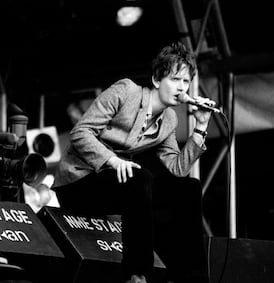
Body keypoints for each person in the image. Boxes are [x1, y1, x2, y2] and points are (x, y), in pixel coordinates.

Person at [53, 41, 215, 283]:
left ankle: (192, 277)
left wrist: (200, 127)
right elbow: (80, 133)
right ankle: (137, 275)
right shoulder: (126, 91)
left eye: (185, 82)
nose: (181, 87)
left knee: (188, 188)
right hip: (77, 184)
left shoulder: (169, 119)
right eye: (175, 79)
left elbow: (177, 169)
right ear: (158, 80)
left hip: (117, 188)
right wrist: (114, 162)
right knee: (140, 178)